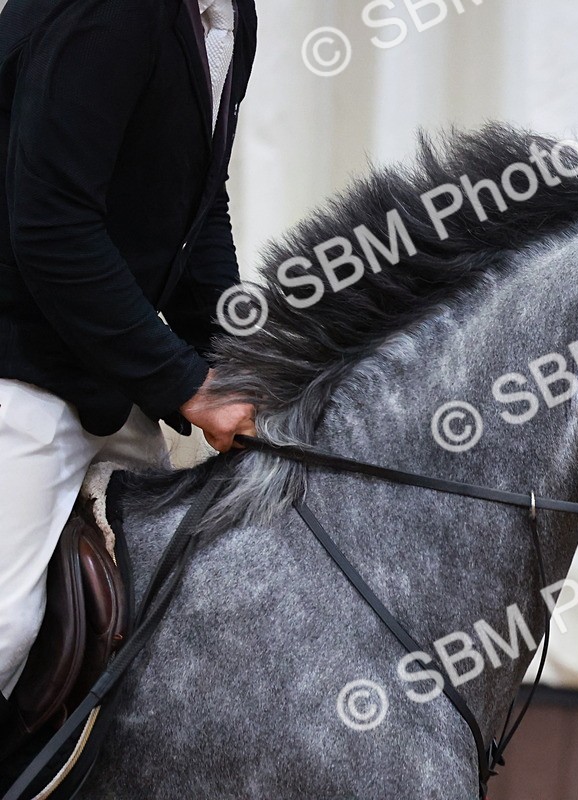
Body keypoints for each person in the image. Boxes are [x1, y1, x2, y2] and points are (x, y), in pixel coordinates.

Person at [0, 0, 258, 725]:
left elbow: (199, 211)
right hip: (16, 367)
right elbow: (50, 228)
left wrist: (242, 362)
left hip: (104, 379)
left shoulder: (230, 14)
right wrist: (188, 386)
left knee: (175, 614)